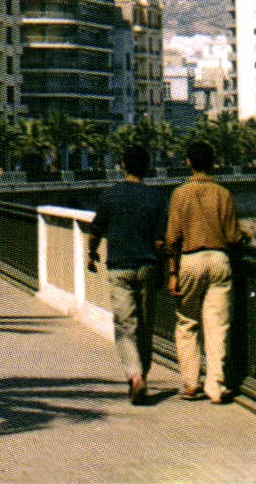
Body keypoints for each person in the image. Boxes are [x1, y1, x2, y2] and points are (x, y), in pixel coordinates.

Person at [164, 140, 246, 403]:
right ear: (213, 163)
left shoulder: (179, 194)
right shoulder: (223, 194)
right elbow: (233, 237)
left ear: (188, 163)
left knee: (187, 322)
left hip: (190, 260)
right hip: (220, 260)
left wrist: (173, 272)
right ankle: (216, 385)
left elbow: (172, 239)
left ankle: (190, 384)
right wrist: (245, 235)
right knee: (217, 325)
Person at [87, 145, 168, 404]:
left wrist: (91, 253)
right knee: (145, 326)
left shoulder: (110, 196)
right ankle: (141, 375)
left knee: (125, 324)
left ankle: (134, 377)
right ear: (146, 167)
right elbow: (160, 239)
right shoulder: (156, 198)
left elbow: (96, 229)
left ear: (123, 165)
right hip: (147, 266)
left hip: (119, 267)